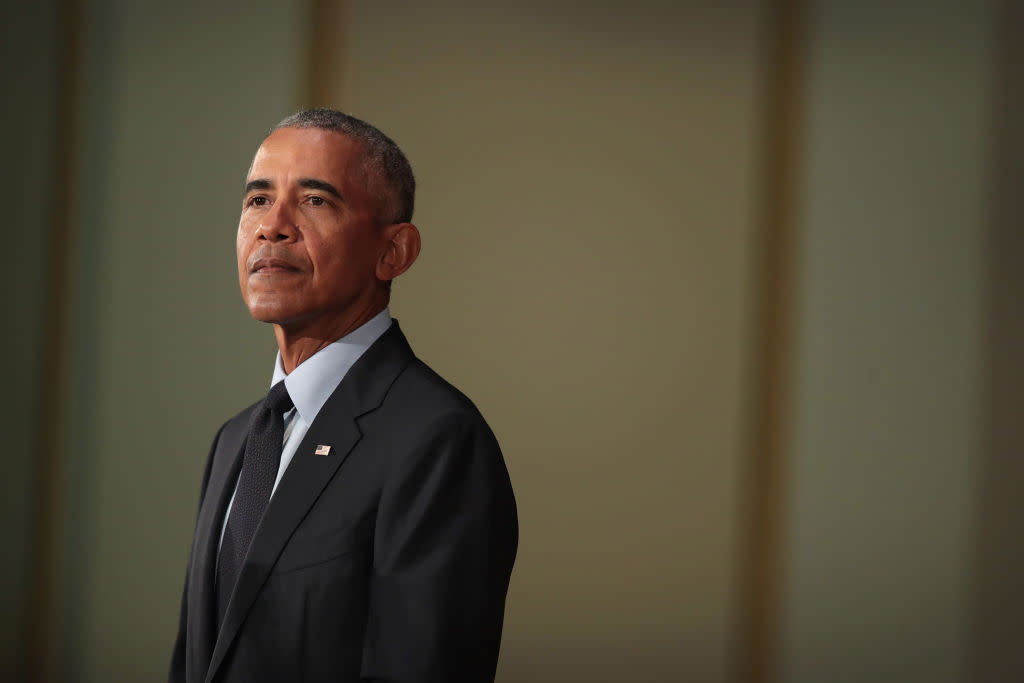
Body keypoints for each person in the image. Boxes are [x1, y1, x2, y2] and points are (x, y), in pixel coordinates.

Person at [169, 109, 518, 683]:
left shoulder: (436, 440)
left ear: (394, 253)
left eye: (315, 201)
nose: (272, 226)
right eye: (257, 200)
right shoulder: (235, 440)